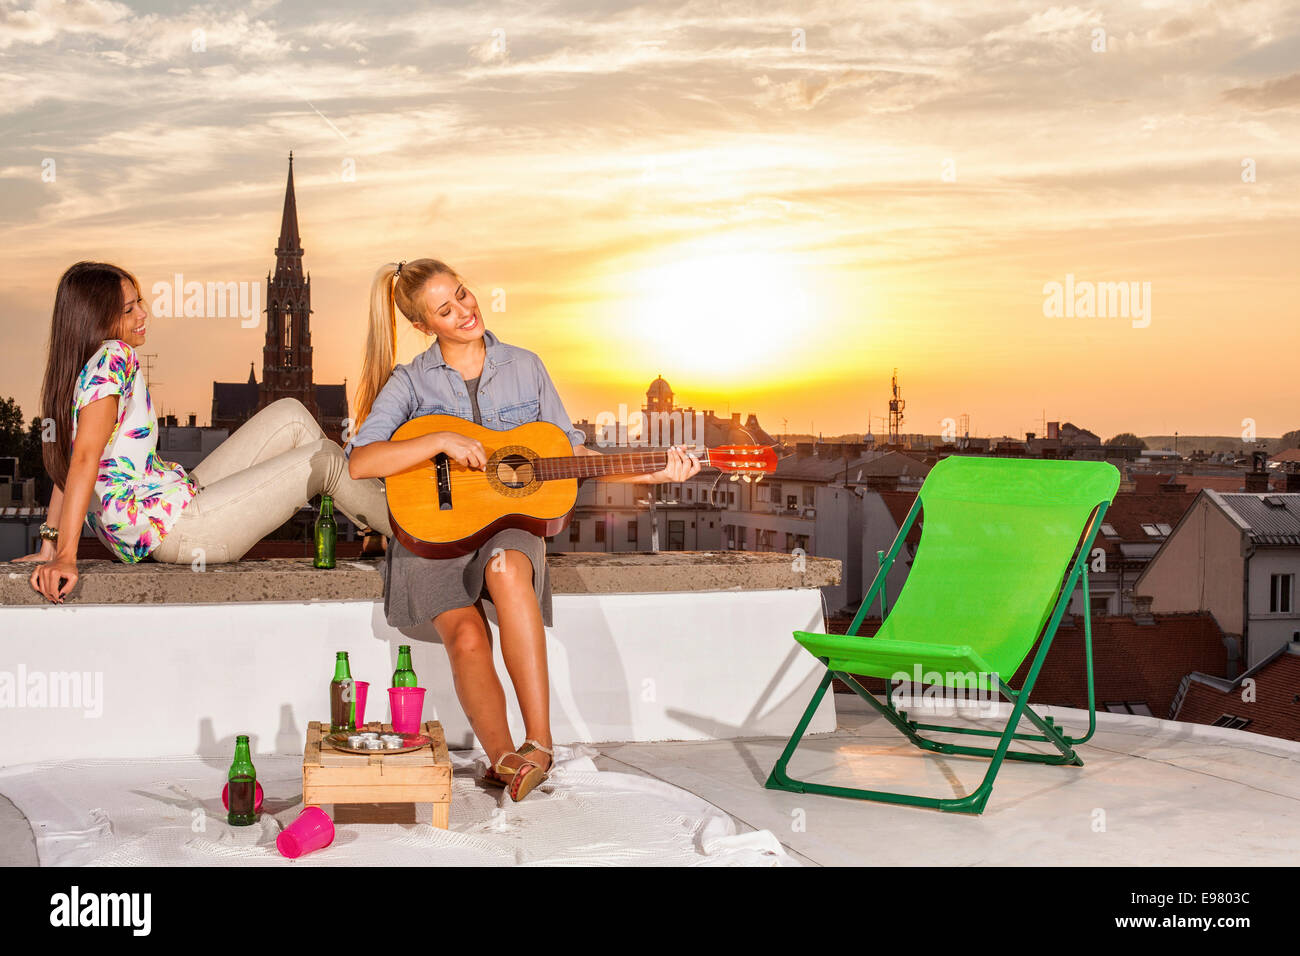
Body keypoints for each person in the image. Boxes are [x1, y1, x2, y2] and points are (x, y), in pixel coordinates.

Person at [347, 258, 700, 800]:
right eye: (446, 309)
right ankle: (503, 758)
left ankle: (540, 743)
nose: (465, 311)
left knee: (508, 566)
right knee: (466, 638)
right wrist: (438, 442)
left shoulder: (525, 366)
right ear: (424, 326)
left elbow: (570, 454)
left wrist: (656, 468)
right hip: (428, 532)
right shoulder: (409, 382)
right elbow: (361, 461)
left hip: (506, 526)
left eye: (463, 294)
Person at [21, 261, 390, 601]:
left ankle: (372, 526)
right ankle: (414, 528)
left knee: (292, 414)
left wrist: (51, 543)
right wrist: (66, 557)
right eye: (128, 309)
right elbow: (83, 458)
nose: (143, 314)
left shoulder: (85, 365)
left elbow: (72, 461)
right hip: (178, 530)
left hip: (170, 505)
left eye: (140, 302)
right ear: (95, 318)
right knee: (324, 459)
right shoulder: (114, 357)